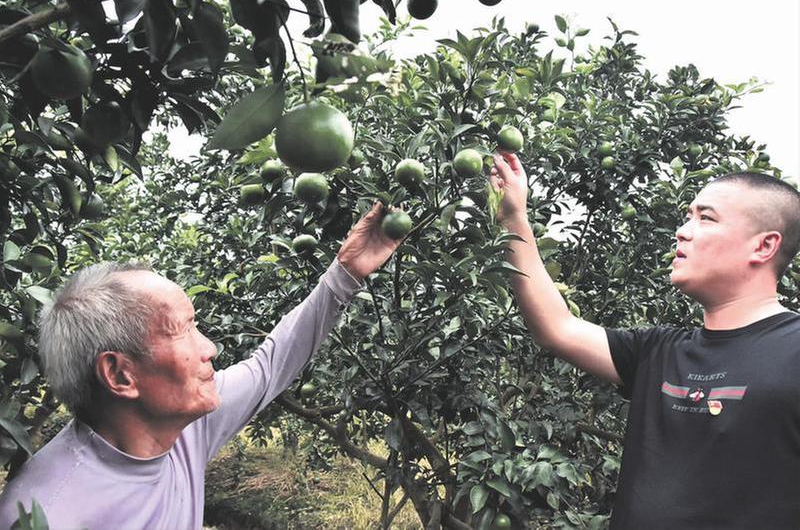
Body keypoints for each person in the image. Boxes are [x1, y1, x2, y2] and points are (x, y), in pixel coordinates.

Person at [0, 202, 401, 528]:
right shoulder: (47, 514)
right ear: (121, 374)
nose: (209, 348)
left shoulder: (184, 427)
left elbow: (271, 363)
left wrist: (345, 274)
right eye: (182, 331)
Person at [489, 152, 800, 529]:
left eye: (706, 218)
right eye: (688, 216)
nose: (683, 231)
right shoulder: (658, 351)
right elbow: (557, 327)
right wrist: (513, 218)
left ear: (763, 246)